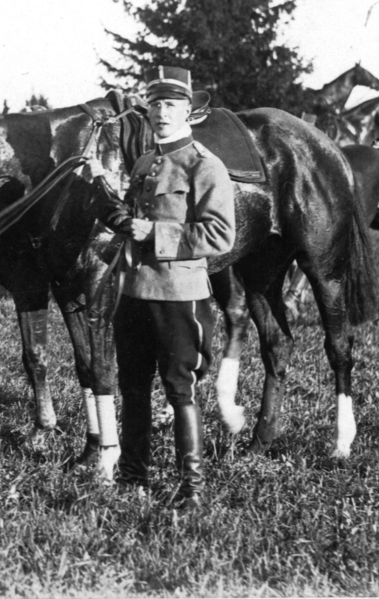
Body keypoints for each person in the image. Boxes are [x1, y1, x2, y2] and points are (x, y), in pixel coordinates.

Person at [86, 66, 236, 510]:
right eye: (154, 104)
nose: (161, 113)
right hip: (134, 292)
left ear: (189, 111)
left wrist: (154, 233)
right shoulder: (144, 163)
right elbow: (132, 218)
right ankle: (133, 476)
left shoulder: (205, 166)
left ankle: (192, 489)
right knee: (133, 387)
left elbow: (220, 236)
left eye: (171, 105)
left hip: (178, 296)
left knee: (179, 390)